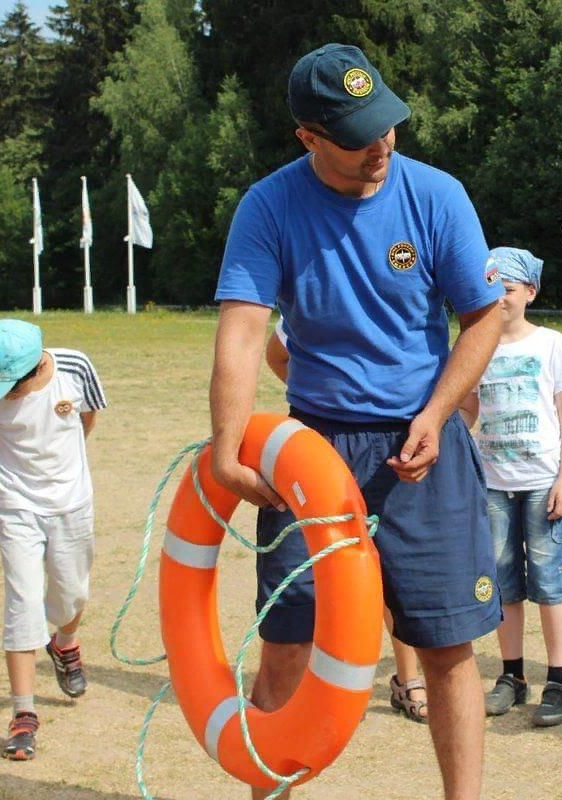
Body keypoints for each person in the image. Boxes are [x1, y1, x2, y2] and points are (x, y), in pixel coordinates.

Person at [211, 44, 502, 799]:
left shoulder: (436, 196)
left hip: (420, 445)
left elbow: (482, 317)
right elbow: (243, 333)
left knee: (445, 649)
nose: (380, 146)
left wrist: (438, 414)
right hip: (312, 450)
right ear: (307, 136)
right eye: (356, 135)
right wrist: (226, 450)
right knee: (287, 644)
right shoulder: (269, 206)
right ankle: (271, 791)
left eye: (388, 126)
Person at [263, 319, 430, 724]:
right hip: (320, 453)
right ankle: (324, 689)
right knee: (318, 583)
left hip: (391, 451)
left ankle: (408, 679)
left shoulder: (404, 308)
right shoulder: (313, 301)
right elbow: (275, 352)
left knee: (390, 576)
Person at [0, 319, 107, 761]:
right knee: (22, 603)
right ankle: (23, 715)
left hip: (71, 505)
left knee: (72, 594)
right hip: (17, 511)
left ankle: (64, 643)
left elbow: (88, 418)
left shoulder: (75, 368)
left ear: (34, 369)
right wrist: (7, 489)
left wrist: (62, 472)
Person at [457, 247, 562, 727]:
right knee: (503, 582)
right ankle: (512, 676)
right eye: (491, 289)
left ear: (530, 292)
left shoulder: (550, 344)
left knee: (550, 581)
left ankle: (559, 680)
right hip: (492, 487)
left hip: (543, 485)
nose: (499, 299)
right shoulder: (475, 345)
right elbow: (467, 408)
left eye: (507, 290)